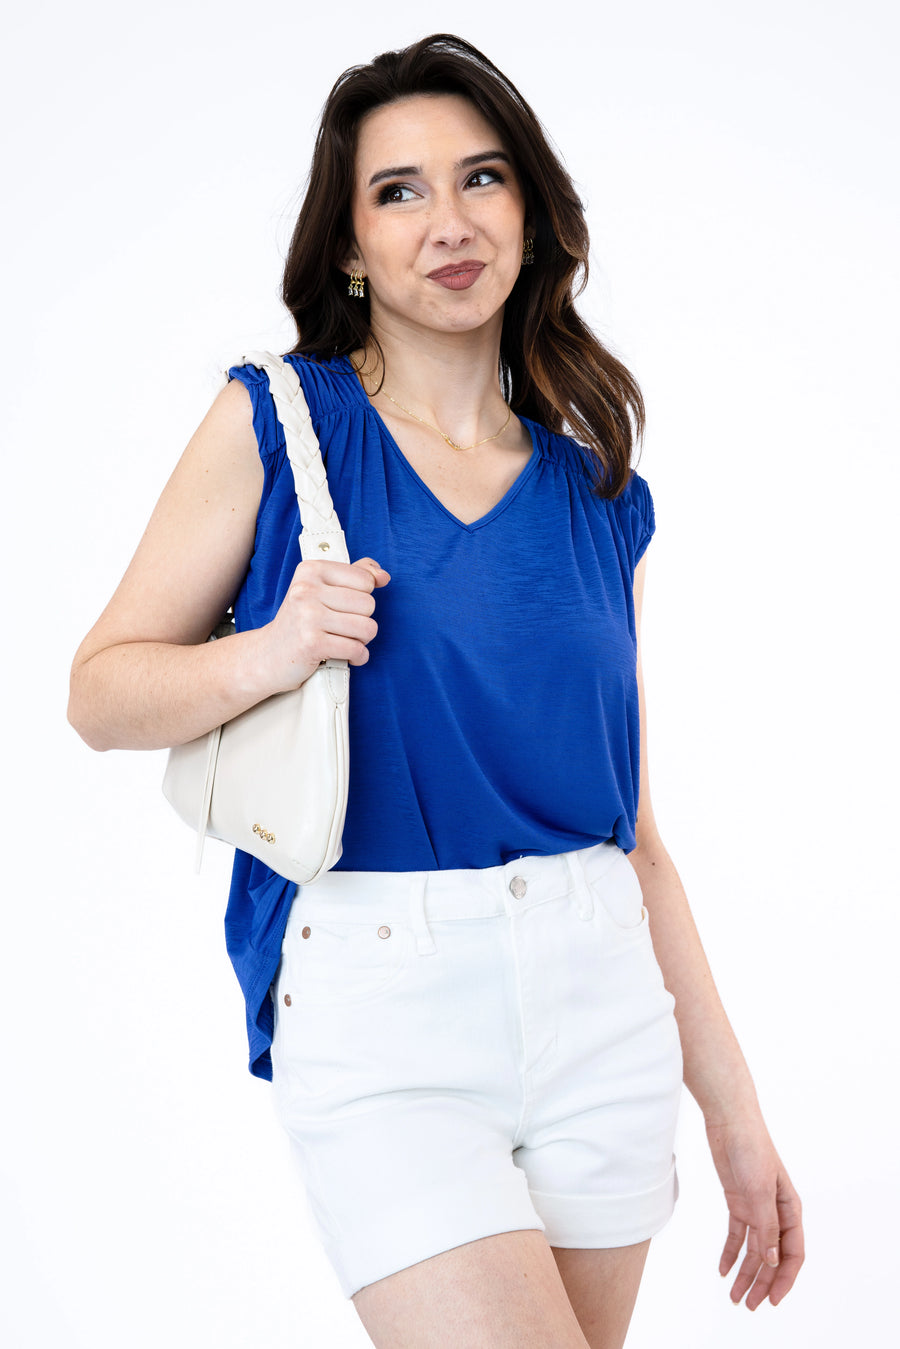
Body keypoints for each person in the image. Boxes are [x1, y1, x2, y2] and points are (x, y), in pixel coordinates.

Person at [67, 32, 804, 1349]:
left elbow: (638, 839)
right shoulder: (283, 426)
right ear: (349, 246)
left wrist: (737, 1118)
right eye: (399, 191)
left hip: (602, 1003)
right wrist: (275, 648)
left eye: (483, 178)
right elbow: (100, 693)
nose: (449, 221)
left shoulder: (600, 494)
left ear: (531, 215)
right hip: (380, 1004)